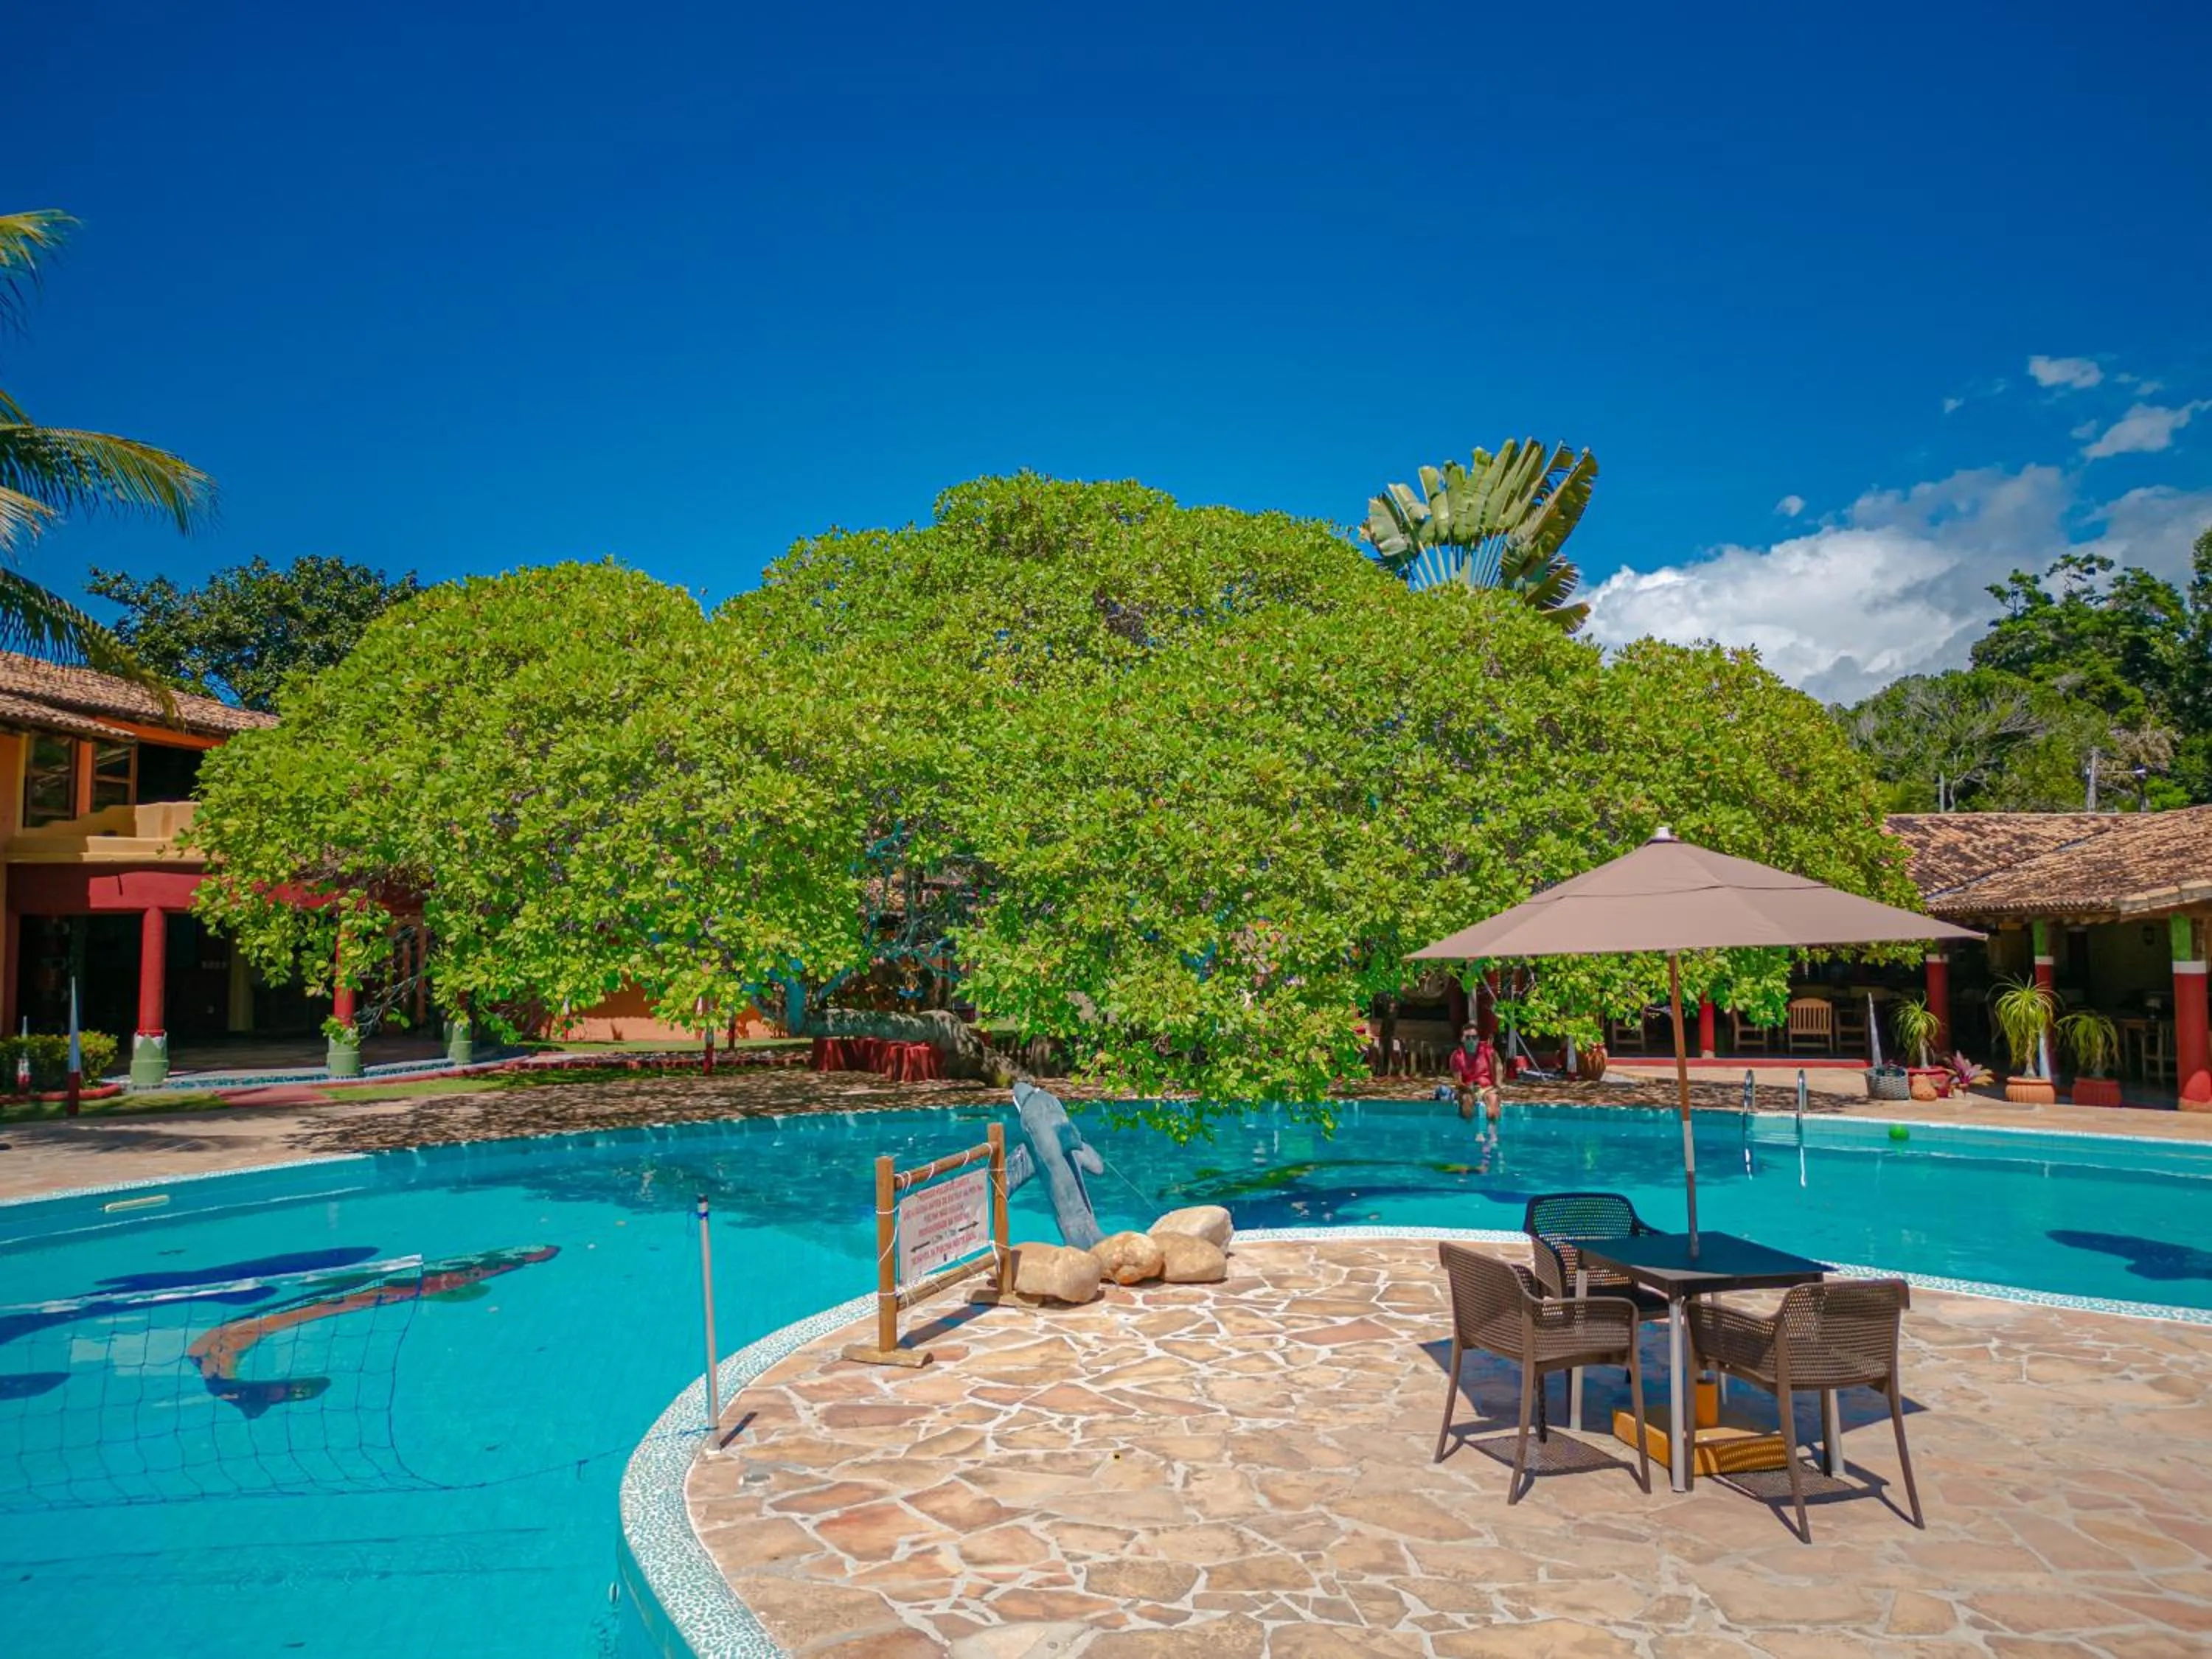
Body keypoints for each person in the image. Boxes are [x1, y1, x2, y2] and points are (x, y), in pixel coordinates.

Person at [1448, 1026, 1501, 1124]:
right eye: (1468, 1038)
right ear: (1462, 1039)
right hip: (1467, 1089)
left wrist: (1497, 1086)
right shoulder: (1457, 1056)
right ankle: (1468, 1130)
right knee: (1467, 1101)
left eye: (1474, 1037)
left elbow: (1498, 1065)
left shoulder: (1487, 1050)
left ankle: (1493, 1134)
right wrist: (1469, 1090)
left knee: (1493, 1100)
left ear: (1478, 1038)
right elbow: (1458, 1081)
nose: (1472, 1040)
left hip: (1487, 1088)